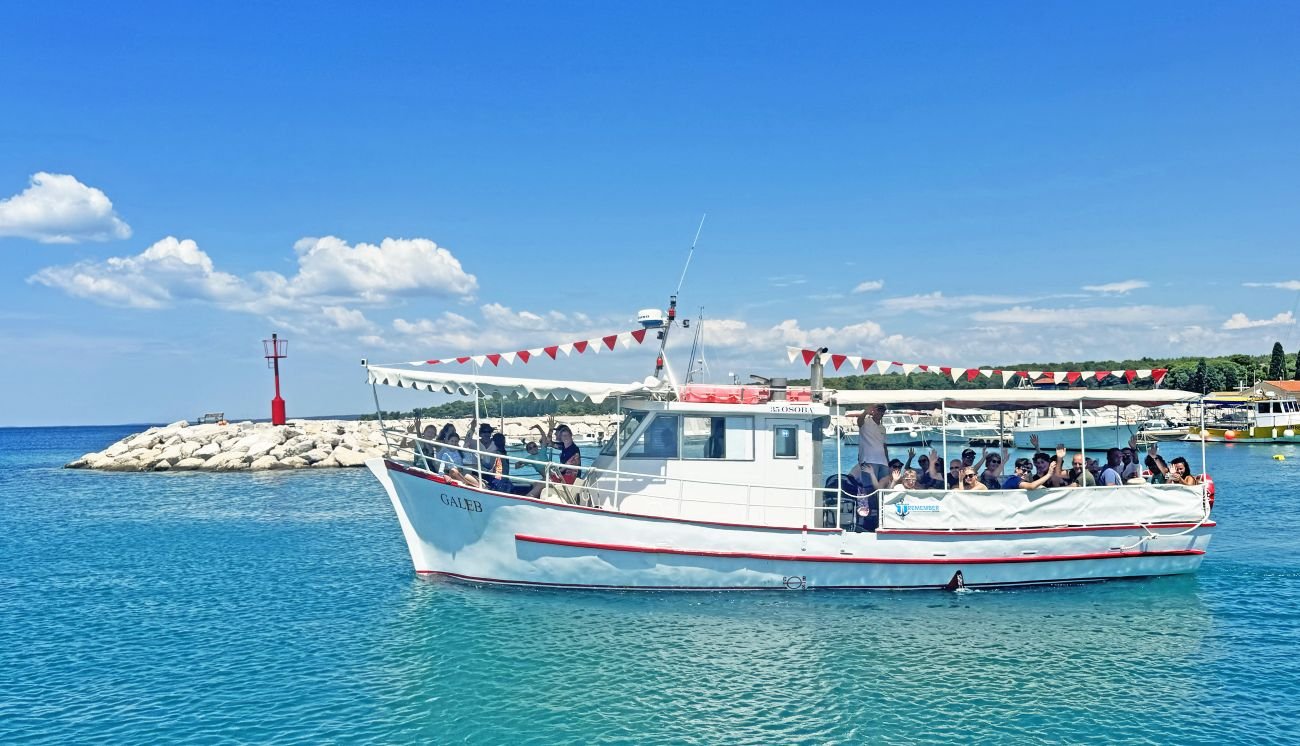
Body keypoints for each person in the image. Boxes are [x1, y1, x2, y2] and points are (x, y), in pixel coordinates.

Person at [856, 404, 890, 488]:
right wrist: (865, 412)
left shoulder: (883, 428)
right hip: (868, 460)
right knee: (870, 488)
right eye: (879, 409)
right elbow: (859, 422)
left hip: (883, 462)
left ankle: (881, 501)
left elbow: (884, 446)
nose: (881, 412)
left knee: (884, 488)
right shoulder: (866, 422)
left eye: (882, 410)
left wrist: (888, 461)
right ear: (874, 411)